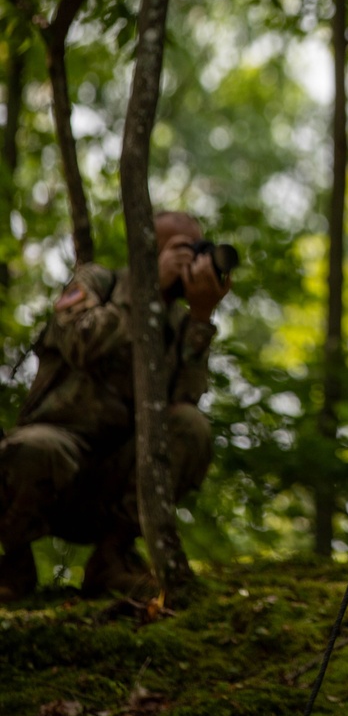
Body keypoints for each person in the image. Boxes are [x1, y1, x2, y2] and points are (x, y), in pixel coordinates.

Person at [0, 212, 229, 602]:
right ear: (148, 251)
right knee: (33, 450)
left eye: (200, 250)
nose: (194, 261)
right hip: (55, 456)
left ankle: (112, 559)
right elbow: (81, 342)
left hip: (121, 477)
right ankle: (13, 563)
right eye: (183, 251)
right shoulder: (97, 283)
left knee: (192, 427)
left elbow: (185, 406)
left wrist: (201, 318)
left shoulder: (177, 323)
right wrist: (147, 293)